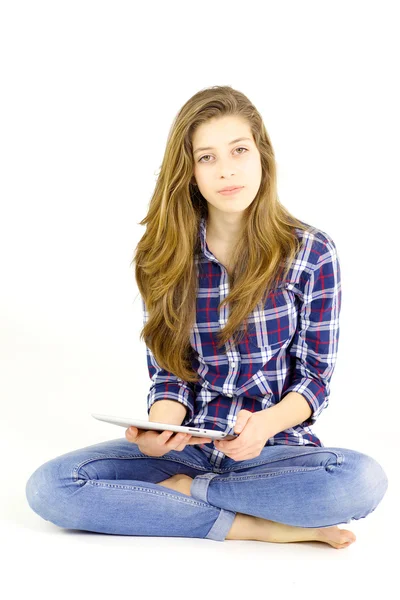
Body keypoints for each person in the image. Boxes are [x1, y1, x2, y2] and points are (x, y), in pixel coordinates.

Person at [25, 85, 388, 548]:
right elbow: (171, 375)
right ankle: (254, 525)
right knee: (52, 487)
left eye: (238, 150)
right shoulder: (165, 255)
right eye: (207, 157)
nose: (227, 170)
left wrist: (265, 426)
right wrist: (160, 428)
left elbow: (314, 380)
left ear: (262, 155)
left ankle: (190, 499)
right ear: (189, 170)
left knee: (361, 481)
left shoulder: (312, 252)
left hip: (271, 454)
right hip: (189, 451)